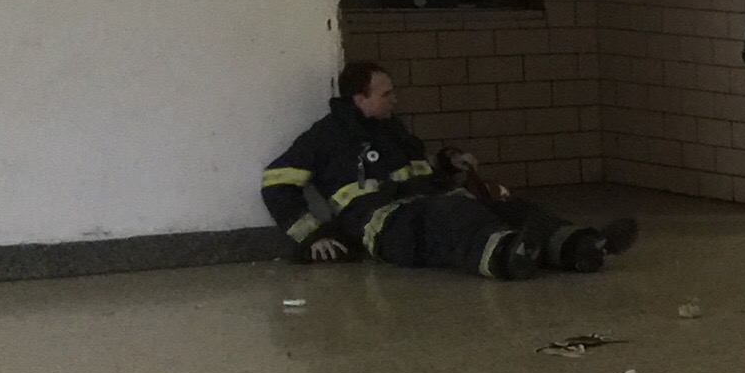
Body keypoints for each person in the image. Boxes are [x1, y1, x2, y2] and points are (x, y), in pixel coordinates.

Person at [263, 62, 637, 278]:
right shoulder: (325, 137)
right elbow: (275, 182)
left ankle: (577, 246)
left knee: (501, 205)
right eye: (386, 94)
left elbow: (417, 171)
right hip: (388, 228)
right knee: (453, 214)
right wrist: (313, 237)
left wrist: (447, 163)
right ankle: (507, 257)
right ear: (360, 99)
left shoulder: (392, 130)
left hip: (426, 205)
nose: (395, 99)